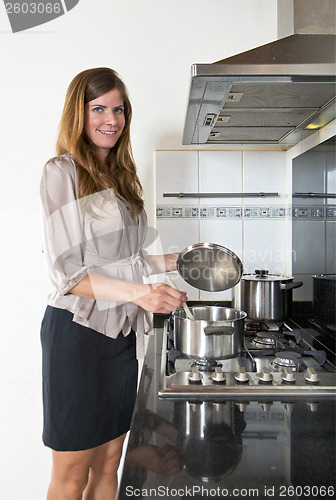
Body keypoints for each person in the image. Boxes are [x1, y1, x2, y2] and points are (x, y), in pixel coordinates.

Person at [40, 67, 187, 500]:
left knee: (110, 463)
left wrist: (180, 260)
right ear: (79, 114)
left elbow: (126, 260)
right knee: (73, 474)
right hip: (78, 338)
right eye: (98, 108)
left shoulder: (121, 179)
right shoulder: (62, 172)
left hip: (121, 339)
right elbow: (70, 274)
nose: (111, 119)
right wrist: (144, 293)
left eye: (118, 109)